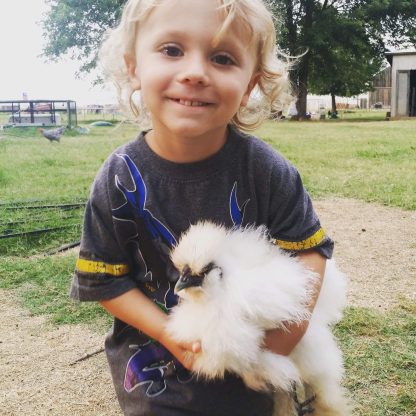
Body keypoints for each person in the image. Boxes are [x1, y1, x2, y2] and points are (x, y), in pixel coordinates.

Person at [70, 0, 334, 415]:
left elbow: (310, 250)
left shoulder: (266, 171)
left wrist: (286, 336)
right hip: (159, 380)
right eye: (172, 50)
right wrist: (169, 333)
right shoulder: (118, 178)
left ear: (250, 84)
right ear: (133, 66)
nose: (195, 71)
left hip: (255, 379)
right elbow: (105, 281)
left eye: (222, 58)